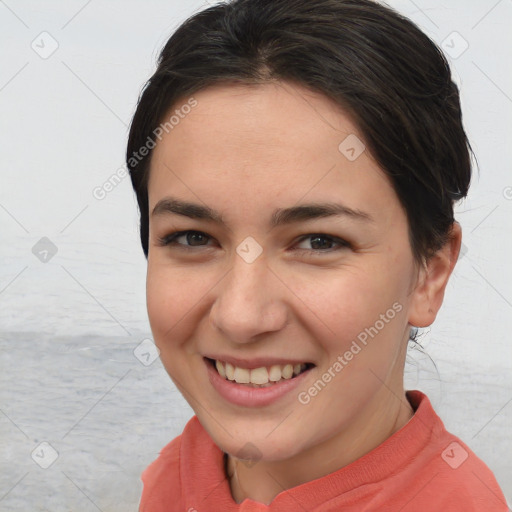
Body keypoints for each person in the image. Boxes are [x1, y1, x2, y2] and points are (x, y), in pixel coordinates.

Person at [125, 0, 508, 509]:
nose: (240, 316)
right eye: (193, 237)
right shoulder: (182, 469)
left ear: (429, 274)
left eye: (319, 242)